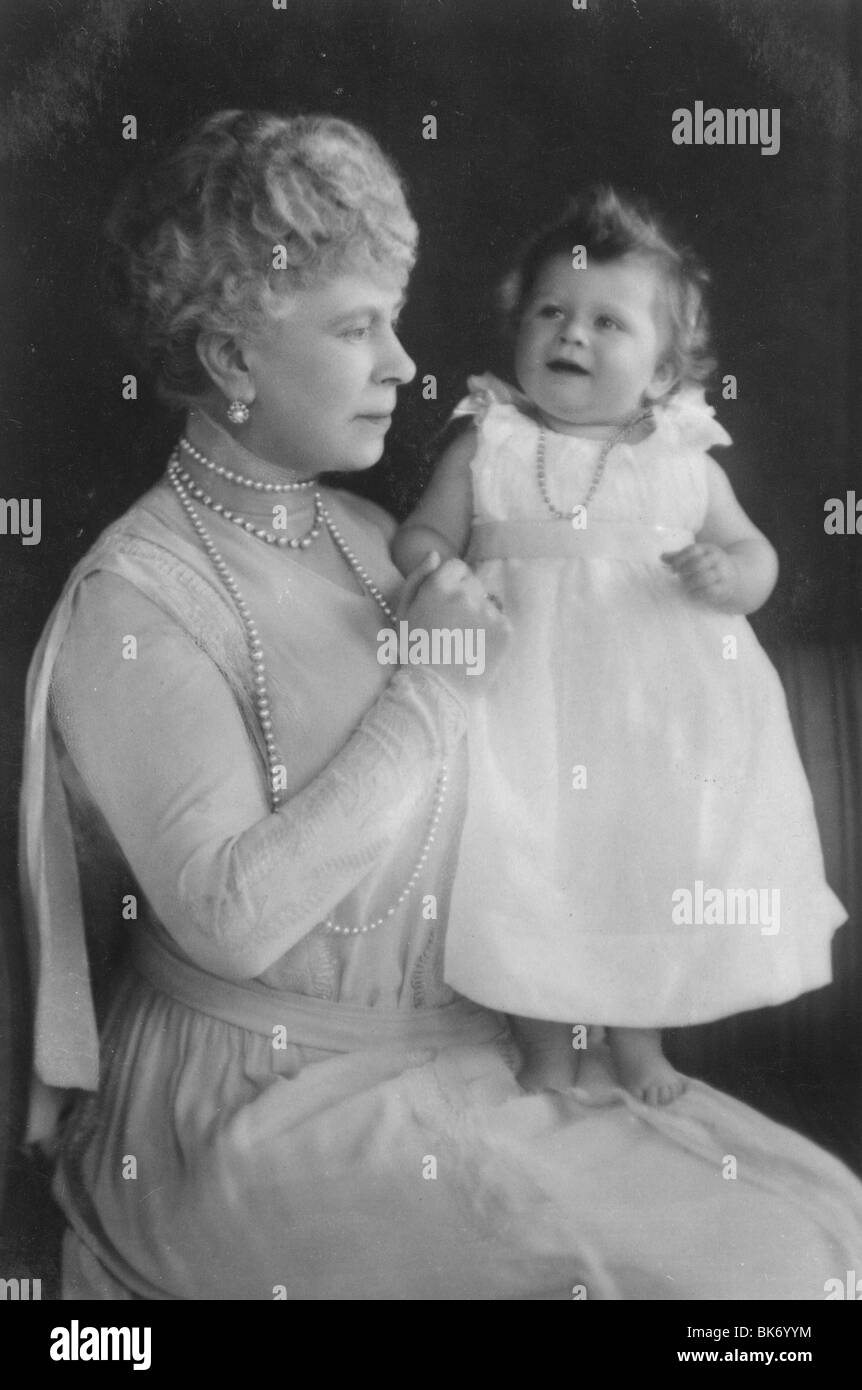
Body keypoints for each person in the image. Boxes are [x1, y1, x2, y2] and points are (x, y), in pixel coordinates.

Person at [20, 115, 862, 1300]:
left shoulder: (376, 536)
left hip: (471, 1051)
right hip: (254, 1110)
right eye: (357, 327)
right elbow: (228, 917)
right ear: (230, 357)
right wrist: (436, 681)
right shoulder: (137, 598)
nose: (404, 364)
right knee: (753, 1282)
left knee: (833, 1234)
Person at [392, 187, 846, 1104]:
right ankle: (547, 1051)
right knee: (526, 869)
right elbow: (420, 538)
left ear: (665, 367)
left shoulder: (683, 458)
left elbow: (757, 556)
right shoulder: (490, 443)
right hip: (523, 702)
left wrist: (733, 577)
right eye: (551, 312)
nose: (573, 335)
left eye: (609, 322)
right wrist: (445, 575)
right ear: (519, 330)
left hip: (652, 723)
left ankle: (639, 1046)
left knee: (641, 873)